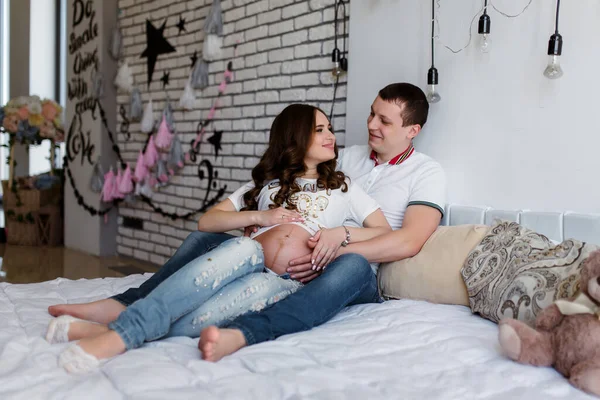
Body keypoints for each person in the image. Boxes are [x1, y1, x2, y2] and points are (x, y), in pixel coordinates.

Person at [49, 82, 446, 363]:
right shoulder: (343, 161)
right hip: (266, 257)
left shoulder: (421, 174)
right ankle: (128, 307)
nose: (370, 125)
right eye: (371, 114)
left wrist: (336, 241)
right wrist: (260, 219)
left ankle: (143, 326)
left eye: (385, 121)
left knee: (349, 266)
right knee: (216, 244)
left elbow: (403, 240)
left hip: (343, 269)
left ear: (412, 130)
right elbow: (290, 186)